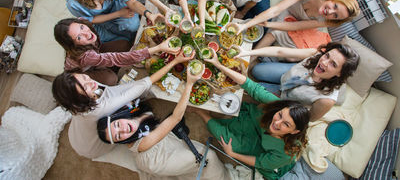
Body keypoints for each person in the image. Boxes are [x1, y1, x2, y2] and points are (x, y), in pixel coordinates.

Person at [51, 50, 195, 159]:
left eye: (83, 77)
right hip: (91, 147)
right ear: (78, 101)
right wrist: (176, 61)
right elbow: (146, 83)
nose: (90, 82)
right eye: (85, 88)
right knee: (127, 126)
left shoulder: (79, 100)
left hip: (76, 133)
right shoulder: (103, 107)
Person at [191, 49, 310, 180]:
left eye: (286, 124)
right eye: (280, 115)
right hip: (257, 123)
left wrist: (232, 154)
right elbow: (251, 86)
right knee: (230, 98)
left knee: (226, 140)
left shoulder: (286, 153)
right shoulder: (277, 105)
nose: (277, 122)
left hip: (260, 149)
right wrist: (219, 65)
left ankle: (201, 112)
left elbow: (260, 162)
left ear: (294, 131)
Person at [96, 66, 231, 180]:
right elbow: (175, 118)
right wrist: (189, 84)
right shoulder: (144, 143)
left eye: (117, 125)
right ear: (121, 142)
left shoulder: (128, 111)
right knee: (207, 158)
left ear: (117, 117)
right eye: (119, 136)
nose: (124, 130)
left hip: (159, 143)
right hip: (156, 160)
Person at [237, 42, 359, 121]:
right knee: (256, 70)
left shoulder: (326, 101)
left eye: (333, 64)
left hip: (289, 99)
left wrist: (284, 105)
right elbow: (280, 52)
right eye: (327, 56)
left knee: (253, 90)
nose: (324, 62)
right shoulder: (315, 54)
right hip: (289, 76)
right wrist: (247, 53)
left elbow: (308, 118)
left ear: (339, 73)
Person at [232, 0, 360, 50]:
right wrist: (246, 26)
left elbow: (298, 25)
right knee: (271, 31)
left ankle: (251, 58)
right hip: (290, 10)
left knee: (276, 32)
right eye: (335, 6)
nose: (330, 12)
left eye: (336, 15)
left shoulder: (328, 19)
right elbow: (276, 10)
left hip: (303, 24)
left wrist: (268, 23)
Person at [54, 18, 179, 85]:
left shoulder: (84, 23)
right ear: (73, 44)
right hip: (84, 71)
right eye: (79, 37)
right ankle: (103, 73)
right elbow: (118, 58)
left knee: (124, 44)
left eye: (82, 27)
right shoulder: (86, 56)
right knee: (111, 79)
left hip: (95, 55)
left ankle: (104, 67)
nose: (86, 33)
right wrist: (158, 48)